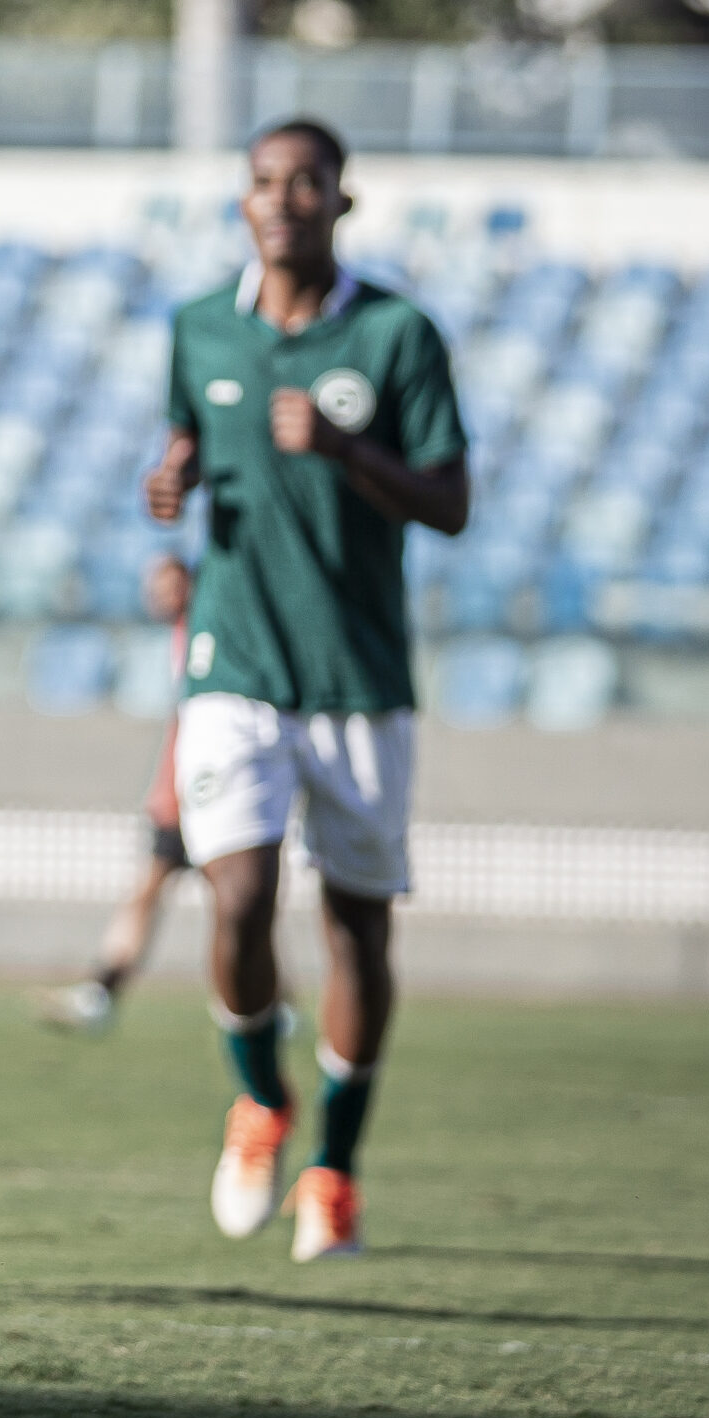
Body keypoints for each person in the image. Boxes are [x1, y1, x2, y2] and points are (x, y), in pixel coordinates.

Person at [142, 118, 469, 1264]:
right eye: (263, 182)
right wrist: (169, 487)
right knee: (233, 897)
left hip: (358, 678)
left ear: (342, 200)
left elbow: (449, 501)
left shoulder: (393, 335)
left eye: (306, 182)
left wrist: (346, 453)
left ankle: (332, 1164)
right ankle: (257, 1097)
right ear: (243, 202)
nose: (282, 199)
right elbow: (186, 442)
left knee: (357, 933)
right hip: (233, 664)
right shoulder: (196, 326)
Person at [38, 553, 194, 1035]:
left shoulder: (205, 634)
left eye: (168, 583)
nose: (158, 595)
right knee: (161, 891)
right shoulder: (183, 635)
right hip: (185, 788)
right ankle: (102, 991)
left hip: (197, 789)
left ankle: (102, 993)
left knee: (237, 902)